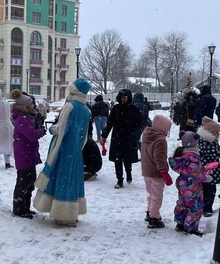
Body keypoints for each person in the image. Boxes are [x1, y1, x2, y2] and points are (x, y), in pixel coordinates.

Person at [34, 78, 91, 227]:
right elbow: (84, 135)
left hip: (64, 148)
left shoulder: (70, 106)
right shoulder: (86, 110)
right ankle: (71, 212)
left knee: (61, 177)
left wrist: (52, 130)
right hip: (76, 150)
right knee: (73, 180)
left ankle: (62, 213)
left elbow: (62, 128)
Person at [10, 90, 46, 219]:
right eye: (31, 104)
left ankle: (25, 207)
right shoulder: (23, 119)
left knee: (29, 182)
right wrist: (41, 131)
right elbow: (31, 135)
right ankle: (19, 209)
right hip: (24, 155)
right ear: (25, 106)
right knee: (24, 183)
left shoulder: (25, 118)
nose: (33, 105)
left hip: (27, 154)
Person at [100, 89, 141, 188]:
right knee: (117, 159)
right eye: (122, 97)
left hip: (129, 138)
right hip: (117, 138)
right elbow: (110, 123)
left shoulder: (134, 109)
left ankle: (128, 173)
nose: (123, 99)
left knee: (128, 159)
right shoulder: (116, 109)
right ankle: (119, 180)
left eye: (125, 97)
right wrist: (104, 135)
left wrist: (134, 133)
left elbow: (138, 123)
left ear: (129, 97)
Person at [169, 131, 206, 236]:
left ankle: (180, 223)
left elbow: (188, 169)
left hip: (183, 183)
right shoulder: (193, 156)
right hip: (192, 185)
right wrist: (205, 177)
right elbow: (195, 172)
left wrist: (203, 168)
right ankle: (191, 227)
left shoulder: (183, 154)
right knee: (195, 206)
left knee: (183, 203)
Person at [140, 114, 173, 229]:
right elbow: (159, 158)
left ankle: (149, 212)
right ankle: (154, 217)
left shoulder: (146, 136)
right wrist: (164, 172)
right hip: (156, 172)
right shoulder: (160, 140)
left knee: (151, 193)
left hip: (146, 170)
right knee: (157, 196)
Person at [197, 116, 220, 217]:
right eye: (217, 132)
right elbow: (214, 152)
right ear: (211, 131)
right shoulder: (204, 141)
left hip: (211, 169)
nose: (219, 134)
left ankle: (207, 208)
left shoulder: (211, 140)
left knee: (210, 189)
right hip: (207, 170)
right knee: (208, 190)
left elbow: (218, 150)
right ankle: (206, 209)